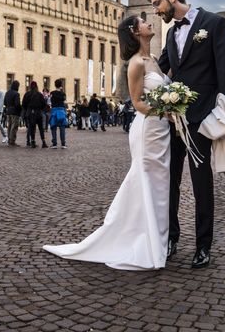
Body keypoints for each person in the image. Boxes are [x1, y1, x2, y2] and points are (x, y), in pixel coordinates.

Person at [44, 15, 170, 269]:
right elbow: (137, 103)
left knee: (159, 187)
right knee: (145, 181)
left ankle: (155, 240)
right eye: (143, 21)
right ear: (135, 32)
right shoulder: (135, 64)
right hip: (148, 130)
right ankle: (143, 243)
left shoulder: (154, 60)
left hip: (161, 131)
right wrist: (166, 110)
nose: (149, 23)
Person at [154, 0, 225, 268]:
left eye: (157, 4)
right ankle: (171, 239)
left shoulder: (214, 24)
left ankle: (203, 246)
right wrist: (135, 56)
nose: (155, 11)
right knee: (170, 182)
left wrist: (221, 112)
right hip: (173, 120)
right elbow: (162, 68)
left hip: (201, 118)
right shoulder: (169, 34)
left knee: (202, 184)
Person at [22, 81, 47, 148]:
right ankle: (43, 142)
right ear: (36, 86)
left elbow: (23, 104)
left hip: (30, 112)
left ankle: (32, 141)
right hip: (38, 112)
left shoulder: (27, 94)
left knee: (32, 128)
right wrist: (40, 109)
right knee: (40, 128)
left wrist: (27, 109)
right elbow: (44, 104)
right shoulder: (39, 94)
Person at [49, 79, 68, 149]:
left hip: (54, 110)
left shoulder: (52, 93)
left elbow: (50, 101)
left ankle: (54, 144)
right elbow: (64, 100)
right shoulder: (63, 93)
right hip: (61, 110)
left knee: (53, 127)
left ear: (55, 85)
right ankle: (63, 143)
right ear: (61, 85)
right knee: (62, 127)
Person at [4, 80, 22, 146]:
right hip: (15, 112)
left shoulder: (7, 92)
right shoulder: (16, 93)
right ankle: (12, 141)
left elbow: (4, 102)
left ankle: (9, 140)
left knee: (9, 127)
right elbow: (17, 104)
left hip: (8, 111)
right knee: (14, 127)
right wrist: (21, 108)